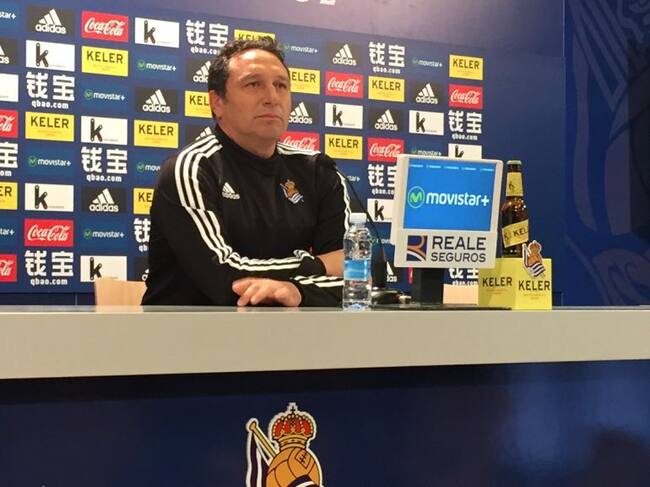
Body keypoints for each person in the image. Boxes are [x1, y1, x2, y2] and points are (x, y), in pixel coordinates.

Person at [142, 37, 350, 306]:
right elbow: (225, 277)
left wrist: (298, 292)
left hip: (289, 329)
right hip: (187, 329)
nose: (271, 98)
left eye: (281, 86)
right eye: (253, 84)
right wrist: (319, 265)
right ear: (217, 102)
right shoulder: (192, 168)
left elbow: (360, 275)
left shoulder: (318, 170)